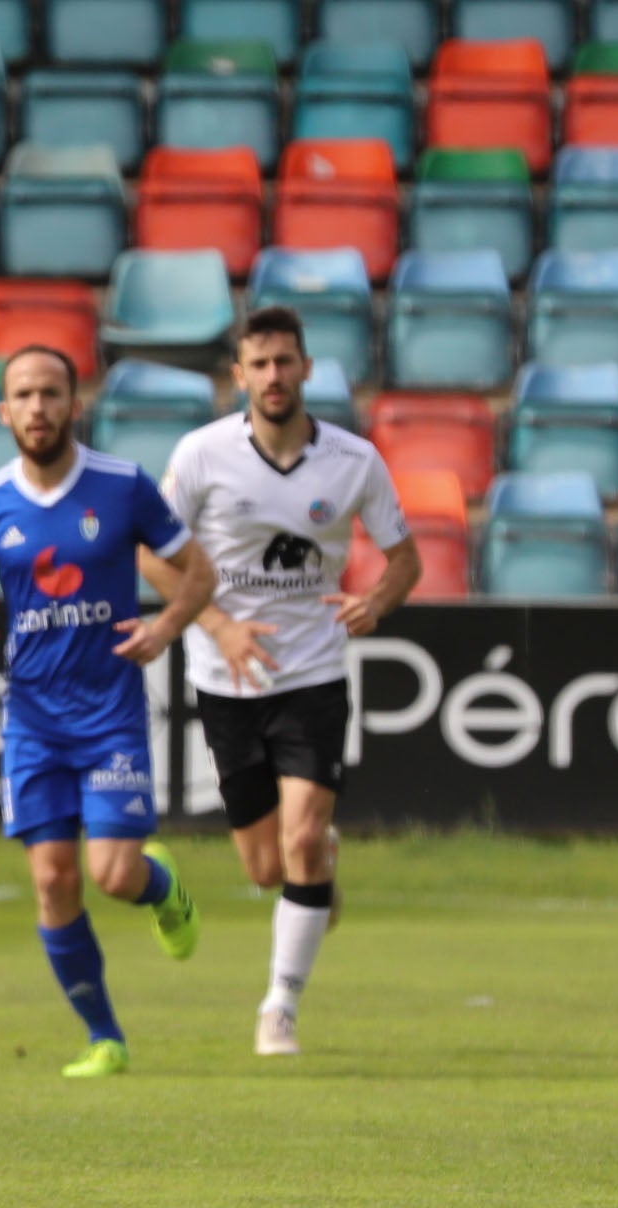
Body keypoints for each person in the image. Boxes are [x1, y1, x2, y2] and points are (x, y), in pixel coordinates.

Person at [0, 345, 217, 1078]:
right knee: (54, 880)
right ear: (2, 411)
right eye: (22, 394)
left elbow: (199, 572)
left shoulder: (121, 487)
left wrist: (164, 627)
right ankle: (104, 1037)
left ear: (73, 402)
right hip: (32, 719)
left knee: (114, 875)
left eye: (49, 393)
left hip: (110, 711)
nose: (36, 407)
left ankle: (163, 889)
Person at [145, 307, 421, 1057]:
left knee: (300, 838)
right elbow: (153, 555)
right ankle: (314, 873)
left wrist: (376, 599)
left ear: (305, 370)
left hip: (313, 672)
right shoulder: (202, 454)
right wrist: (219, 625)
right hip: (225, 678)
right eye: (257, 364)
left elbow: (403, 559)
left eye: (284, 362)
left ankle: (279, 1007)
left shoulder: (353, 460)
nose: (272, 376)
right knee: (265, 866)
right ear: (238, 375)